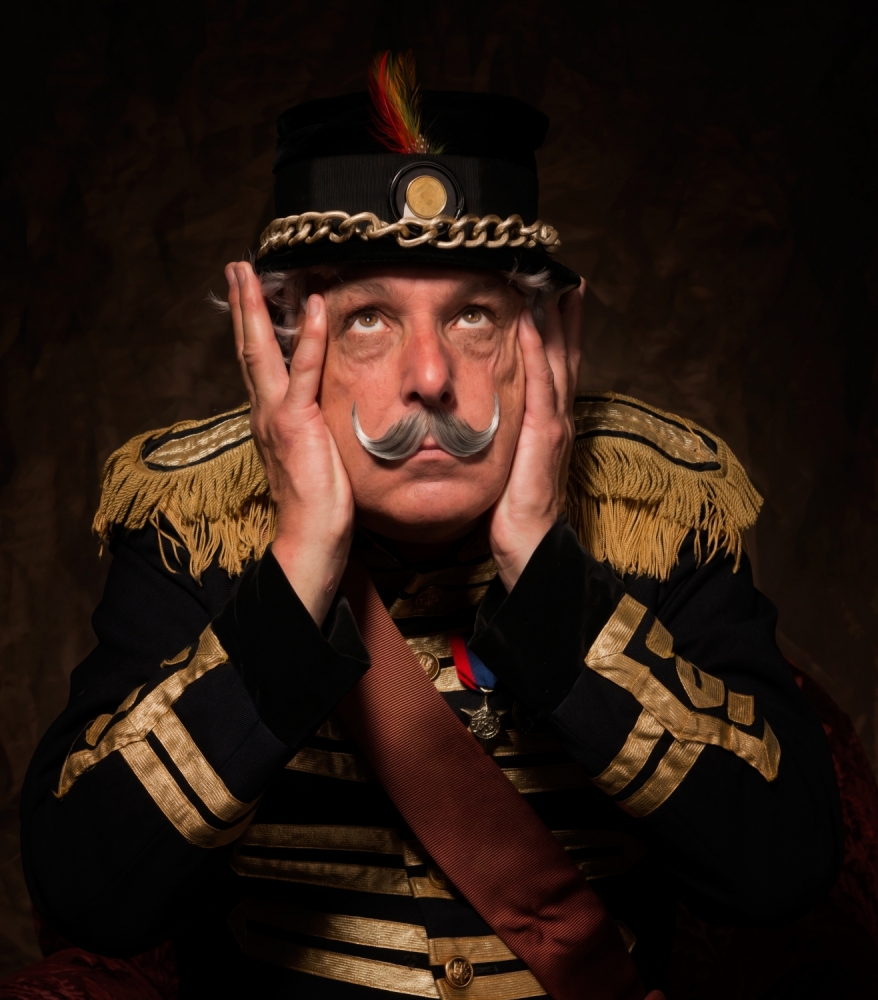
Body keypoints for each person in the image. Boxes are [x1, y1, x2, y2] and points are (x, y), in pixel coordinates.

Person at [19, 54, 842, 1000]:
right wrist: (297, 569)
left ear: (546, 342)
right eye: (369, 319)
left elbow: (785, 870)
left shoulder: (658, 507)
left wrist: (546, 571)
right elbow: (88, 893)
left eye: (474, 317)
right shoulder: (190, 520)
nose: (431, 378)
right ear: (284, 348)